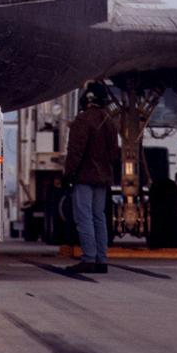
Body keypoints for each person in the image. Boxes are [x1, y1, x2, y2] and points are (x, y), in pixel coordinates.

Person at [63, 81, 119, 275]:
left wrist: (68, 174)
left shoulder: (83, 120)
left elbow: (75, 151)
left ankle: (89, 258)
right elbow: (114, 153)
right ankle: (101, 259)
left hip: (85, 176)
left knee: (84, 217)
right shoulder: (110, 122)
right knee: (99, 218)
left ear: (87, 99)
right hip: (103, 177)